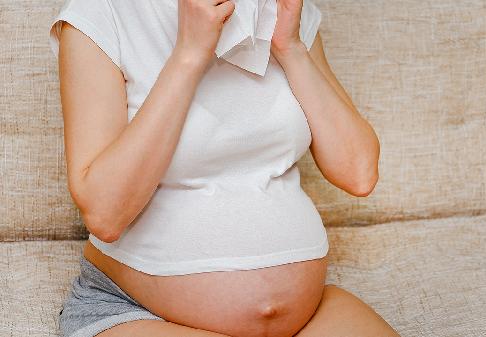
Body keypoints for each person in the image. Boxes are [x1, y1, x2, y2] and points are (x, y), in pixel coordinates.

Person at [49, 0, 399, 336]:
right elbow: (105, 214)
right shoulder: (102, 12)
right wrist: (189, 55)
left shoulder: (286, 13)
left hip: (310, 315)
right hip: (136, 313)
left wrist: (291, 48)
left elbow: (359, 172)